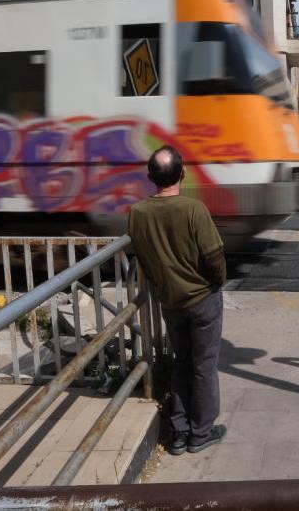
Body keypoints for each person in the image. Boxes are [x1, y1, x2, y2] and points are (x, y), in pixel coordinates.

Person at [128, 146, 227, 456]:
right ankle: (201, 433)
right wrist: (215, 283)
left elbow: (141, 257)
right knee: (204, 366)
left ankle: (179, 433)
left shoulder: (137, 213)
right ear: (182, 174)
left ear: (150, 177)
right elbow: (214, 258)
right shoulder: (193, 210)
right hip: (202, 300)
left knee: (181, 362)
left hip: (170, 303)